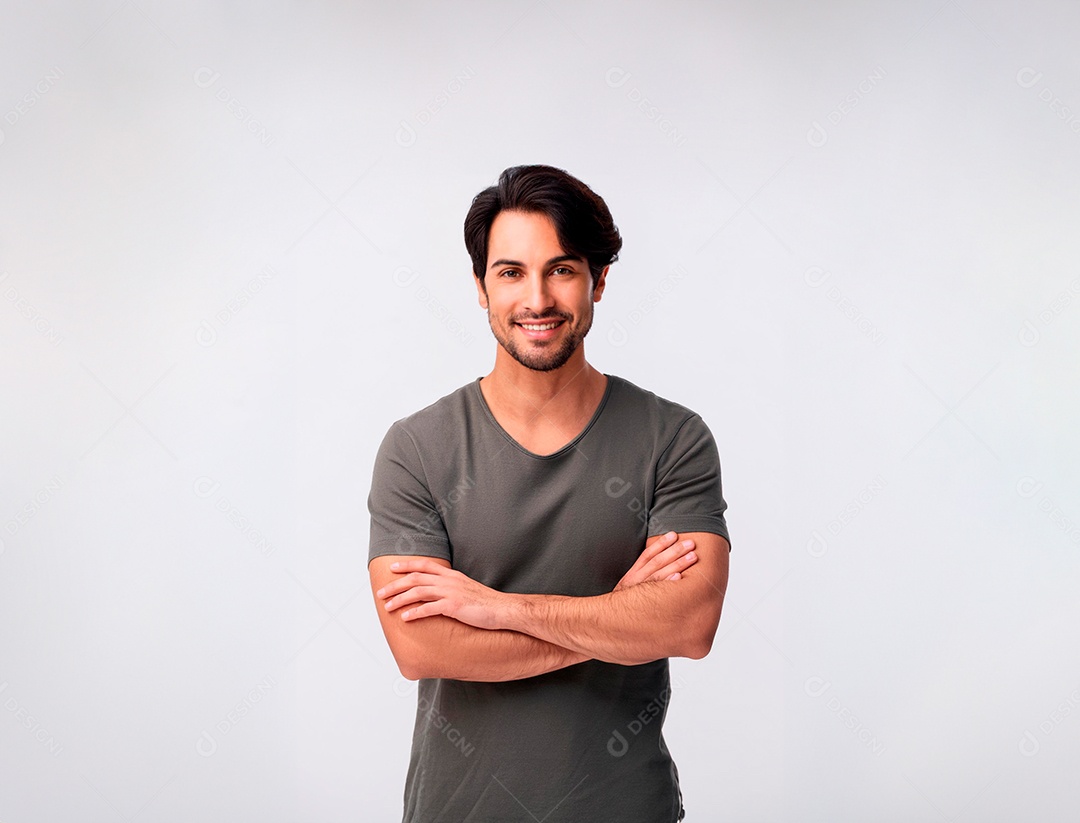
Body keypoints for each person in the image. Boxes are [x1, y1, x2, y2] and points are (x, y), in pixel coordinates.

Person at [368, 164, 731, 822]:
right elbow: (421, 647)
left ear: (599, 279)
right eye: (510, 272)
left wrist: (496, 609)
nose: (537, 298)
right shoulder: (417, 448)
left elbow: (689, 623)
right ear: (481, 287)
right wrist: (617, 614)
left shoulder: (672, 439)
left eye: (561, 269)